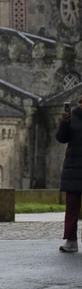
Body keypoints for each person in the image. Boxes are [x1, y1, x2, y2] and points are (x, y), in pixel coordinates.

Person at [55, 95, 82, 254]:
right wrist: (63, 123)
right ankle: (71, 241)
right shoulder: (71, 117)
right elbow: (61, 138)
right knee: (71, 208)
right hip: (73, 169)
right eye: (80, 102)